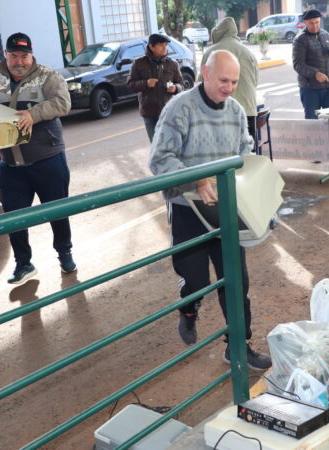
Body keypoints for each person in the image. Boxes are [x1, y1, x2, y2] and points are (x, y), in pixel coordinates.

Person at [148, 50, 272, 371]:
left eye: (234, 81)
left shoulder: (234, 110)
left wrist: (257, 188)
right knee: (197, 278)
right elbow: (159, 159)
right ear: (205, 72)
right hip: (187, 207)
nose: (229, 87)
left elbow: (244, 151)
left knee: (236, 279)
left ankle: (238, 346)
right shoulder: (180, 108)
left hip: (225, 207)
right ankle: (189, 307)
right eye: (223, 80)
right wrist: (197, 178)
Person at [0, 32, 75, 285]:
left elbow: (63, 103)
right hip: (10, 164)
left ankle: (64, 253)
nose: (19, 61)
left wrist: (34, 113)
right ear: (6, 55)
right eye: (14, 56)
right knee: (14, 218)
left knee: (58, 211)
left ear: (31, 55)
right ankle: (23, 264)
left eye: (24, 56)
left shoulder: (48, 76)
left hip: (47, 159)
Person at [200, 17, 259, 140]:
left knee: (223, 155)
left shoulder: (211, 52)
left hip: (219, 112)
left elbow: (202, 83)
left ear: (218, 33)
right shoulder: (248, 52)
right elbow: (255, 82)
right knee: (248, 154)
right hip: (247, 110)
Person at [126, 34, 183, 142]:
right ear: (151, 47)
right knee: (155, 145)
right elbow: (130, 85)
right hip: (149, 113)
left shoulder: (172, 64)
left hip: (169, 112)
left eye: (166, 45)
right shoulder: (138, 63)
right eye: (161, 45)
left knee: (171, 143)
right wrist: (145, 83)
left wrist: (176, 88)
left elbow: (182, 84)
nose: (165, 48)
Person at [292, 9, 329, 120]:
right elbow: (298, 64)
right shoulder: (300, 40)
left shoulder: (325, 35)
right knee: (312, 121)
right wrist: (315, 74)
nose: (315, 26)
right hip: (310, 88)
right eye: (311, 23)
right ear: (305, 22)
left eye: (317, 22)